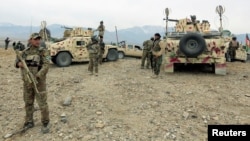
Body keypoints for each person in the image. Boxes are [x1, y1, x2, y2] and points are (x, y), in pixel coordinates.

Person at [14, 33, 50, 134]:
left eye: (39, 39)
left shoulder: (43, 51)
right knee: (28, 102)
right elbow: (16, 62)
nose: (38, 41)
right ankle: (29, 121)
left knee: (42, 103)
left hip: (39, 82)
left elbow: (47, 65)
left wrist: (38, 75)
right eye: (35, 39)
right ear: (30, 40)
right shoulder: (24, 52)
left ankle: (46, 122)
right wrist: (18, 64)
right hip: (27, 82)